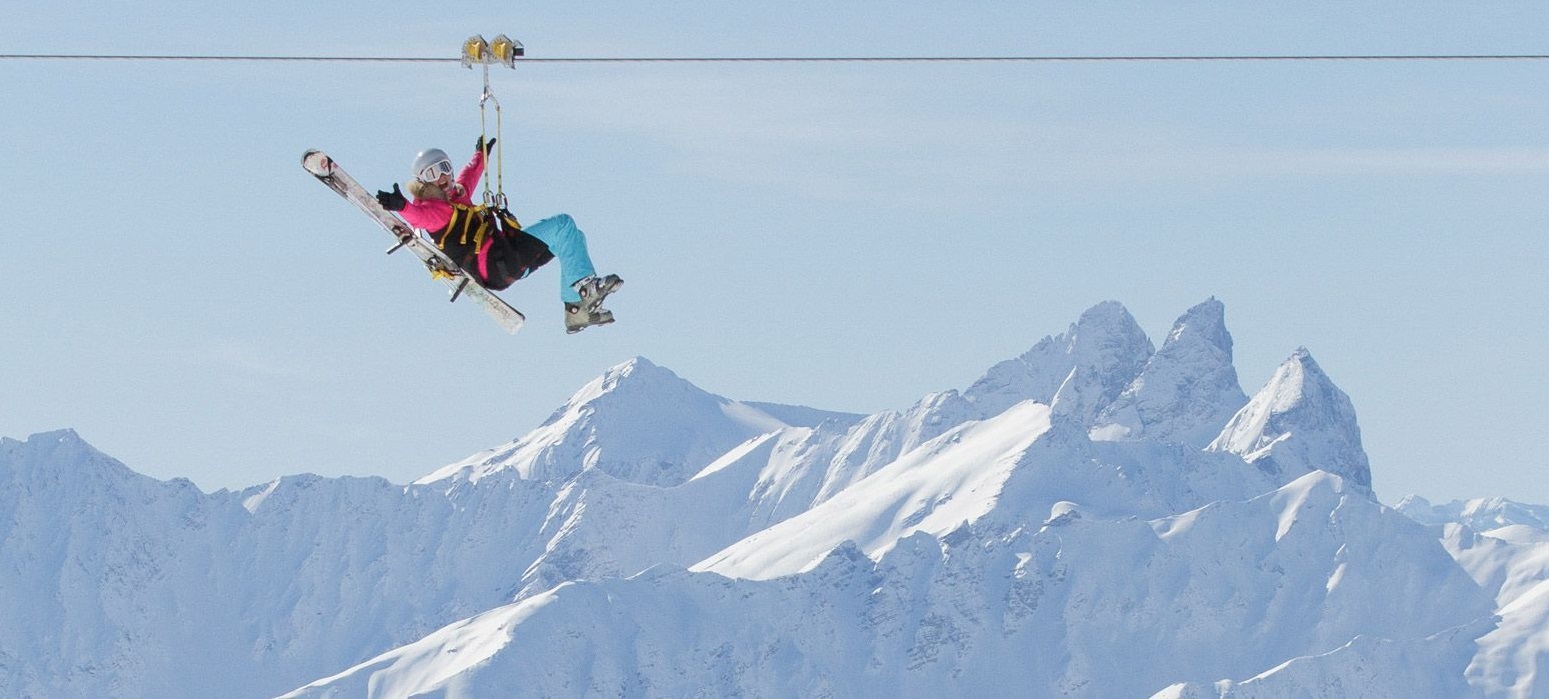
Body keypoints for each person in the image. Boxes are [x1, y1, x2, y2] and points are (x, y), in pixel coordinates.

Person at [375, 137, 622, 333]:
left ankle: (576, 310)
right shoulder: (436, 210)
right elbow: (420, 217)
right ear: (422, 181)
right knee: (563, 225)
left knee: (573, 237)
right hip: (496, 261)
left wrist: (480, 155)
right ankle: (585, 290)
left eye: (445, 167)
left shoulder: (454, 197)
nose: (442, 177)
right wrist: (402, 207)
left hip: (505, 263)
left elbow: (468, 177)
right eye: (432, 173)